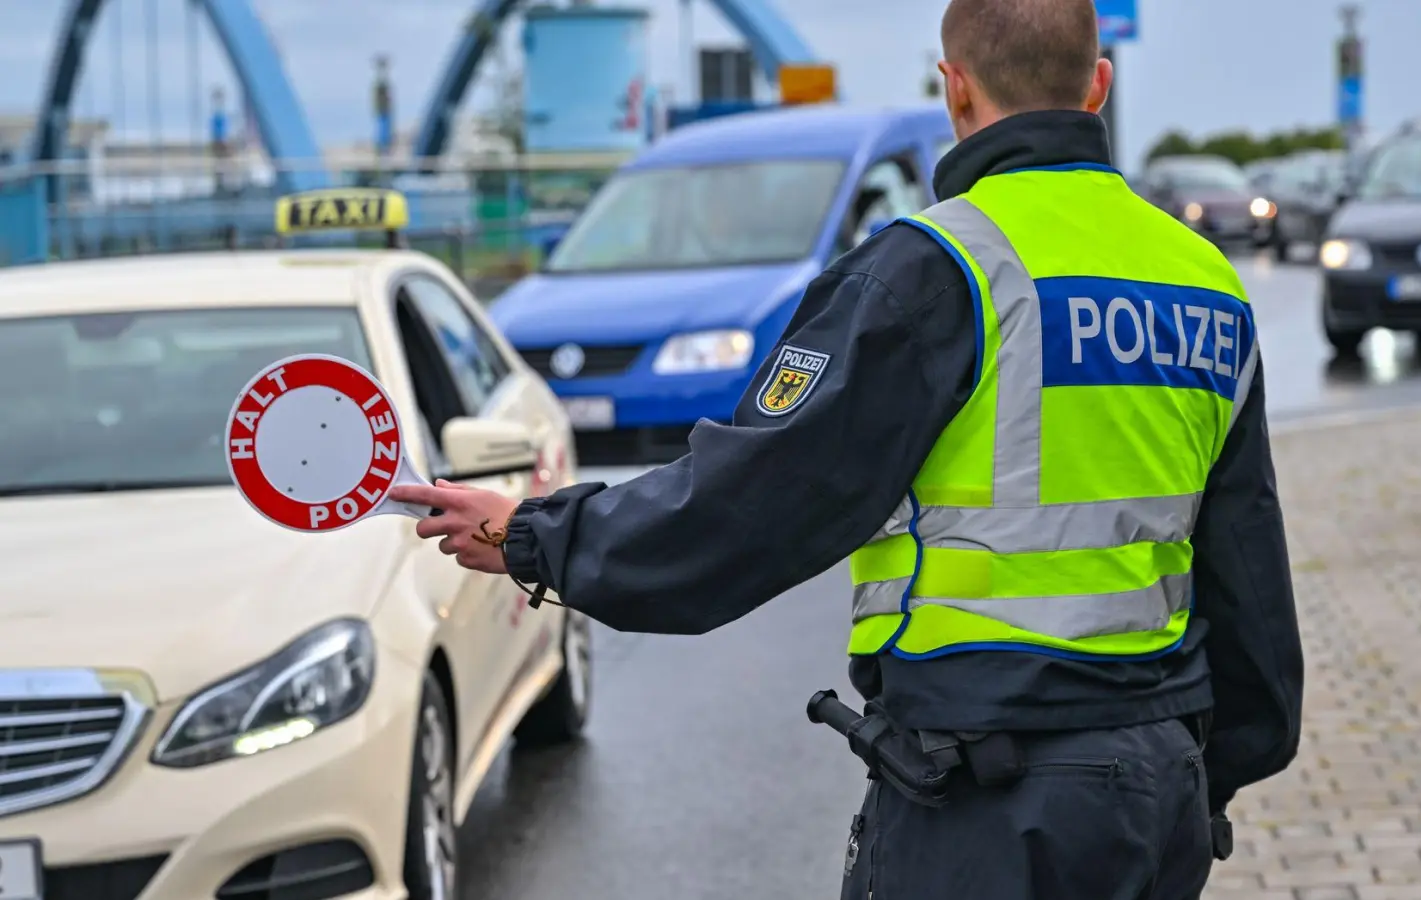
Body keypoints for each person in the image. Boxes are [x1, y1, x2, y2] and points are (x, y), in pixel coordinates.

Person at [391, 0, 1304, 896]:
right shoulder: (1203, 279)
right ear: (1097, 87)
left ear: (956, 90)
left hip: (990, 799)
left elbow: (753, 504)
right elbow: (1248, 565)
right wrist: (1205, 769)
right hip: (1159, 791)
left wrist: (537, 534)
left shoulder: (938, 268)